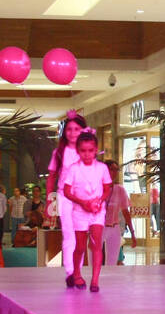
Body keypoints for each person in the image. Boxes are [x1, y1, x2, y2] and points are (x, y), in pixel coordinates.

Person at [60, 131, 112, 292]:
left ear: (96, 150)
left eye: (90, 150)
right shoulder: (73, 169)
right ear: (78, 151)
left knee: (96, 244)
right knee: (81, 246)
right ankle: (76, 273)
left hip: (97, 211)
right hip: (79, 212)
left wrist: (99, 201)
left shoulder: (102, 168)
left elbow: (107, 188)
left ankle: (95, 280)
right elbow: (67, 191)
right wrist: (83, 203)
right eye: (83, 151)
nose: (87, 154)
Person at [46, 111, 86, 287]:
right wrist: (50, 201)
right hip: (64, 196)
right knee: (69, 235)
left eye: (76, 129)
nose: (72, 132)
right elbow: (51, 177)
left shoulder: (87, 150)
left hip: (82, 198)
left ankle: (77, 270)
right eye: (69, 129)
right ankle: (71, 271)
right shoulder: (59, 152)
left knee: (80, 236)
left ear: (83, 130)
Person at [103, 161, 137, 267]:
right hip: (98, 227)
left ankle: (110, 283)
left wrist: (132, 233)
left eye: (116, 170)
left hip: (114, 228)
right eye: (112, 169)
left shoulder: (119, 189)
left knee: (112, 263)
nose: (115, 172)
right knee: (94, 262)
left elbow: (126, 212)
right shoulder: (96, 187)